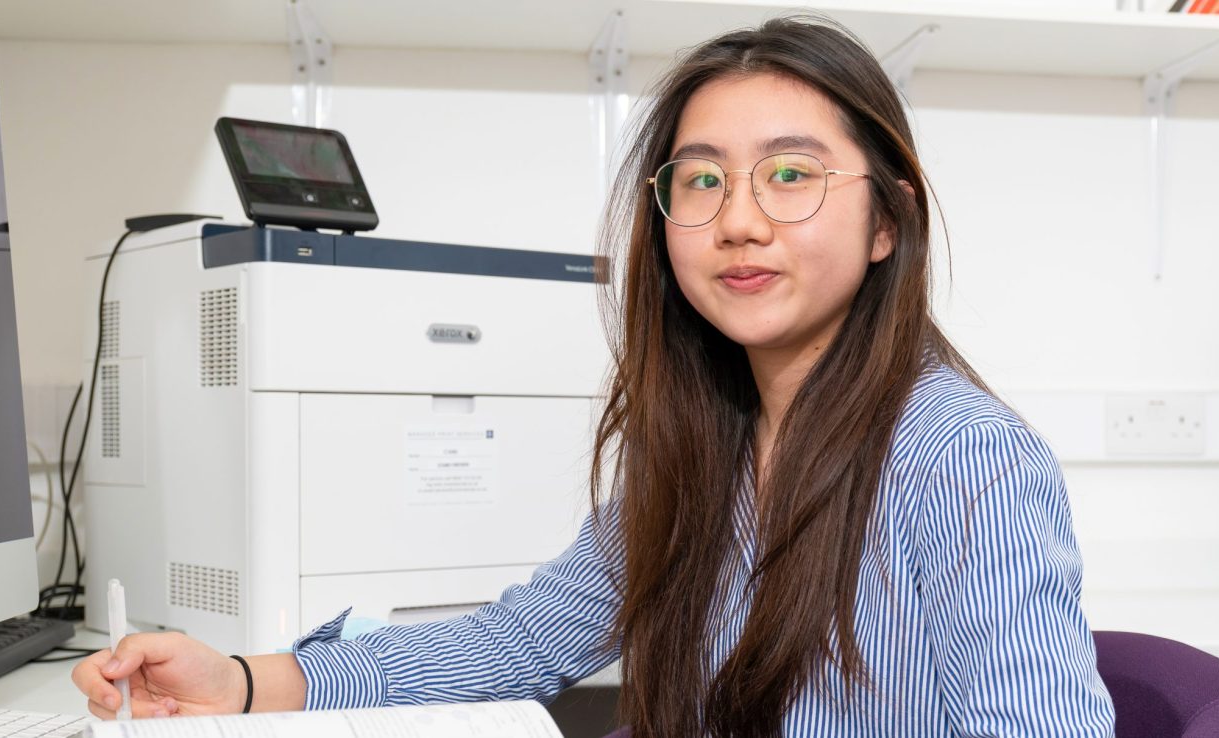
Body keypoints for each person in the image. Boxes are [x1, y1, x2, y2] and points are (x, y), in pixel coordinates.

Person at [74, 16, 1116, 737]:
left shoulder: (964, 458)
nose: (740, 217)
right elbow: (517, 643)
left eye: (791, 175)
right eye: (701, 180)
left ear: (888, 219)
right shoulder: (705, 444)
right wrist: (249, 680)